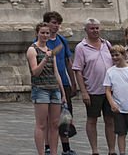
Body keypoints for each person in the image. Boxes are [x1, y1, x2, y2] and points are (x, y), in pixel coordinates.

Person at [73, 18, 115, 155]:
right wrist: (83, 91)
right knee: (92, 119)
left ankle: (111, 150)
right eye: (92, 28)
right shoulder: (81, 47)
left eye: (97, 28)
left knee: (110, 120)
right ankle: (95, 150)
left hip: (109, 90)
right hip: (92, 89)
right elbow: (78, 70)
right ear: (86, 30)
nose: (95, 31)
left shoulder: (106, 44)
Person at [43, 10, 79, 155]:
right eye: (53, 23)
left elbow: (67, 62)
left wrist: (73, 81)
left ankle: (66, 147)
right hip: (48, 83)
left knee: (65, 115)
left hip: (63, 82)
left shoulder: (62, 40)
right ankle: (47, 146)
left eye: (58, 23)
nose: (56, 26)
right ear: (46, 23)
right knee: (48, 117)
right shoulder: (41, 42)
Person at [29, 22, 68, 155]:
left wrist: (62, 93)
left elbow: (56, 73)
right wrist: (45, 59)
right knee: (41, 124)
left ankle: (54, 152)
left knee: (55, 124)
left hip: (54, 89)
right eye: (42, 33)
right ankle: (41, 152)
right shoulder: (32, 50)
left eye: (47, 33)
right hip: (40, 89)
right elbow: (35, 72)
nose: (45, 35)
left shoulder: (51, 51)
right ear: (37, 33)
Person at [104, 44, 128, 155]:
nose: (114, 58)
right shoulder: (110, 71)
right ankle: (122, 152)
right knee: (121, 132)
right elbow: (108, 90)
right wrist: (112, 103)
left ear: (124, 55)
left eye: (117, 55)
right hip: (119, 108)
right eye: (112, 55)